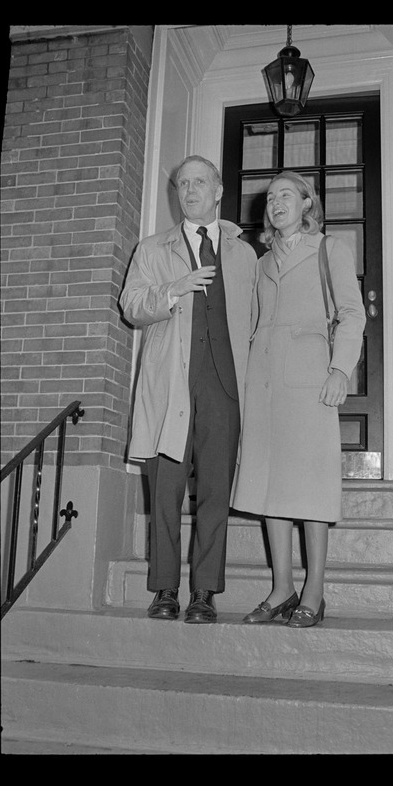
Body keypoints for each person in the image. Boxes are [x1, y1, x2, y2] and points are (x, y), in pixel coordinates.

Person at [119, 155, 257, 624]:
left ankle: (203, 592)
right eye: (182, 184)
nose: (190, 190)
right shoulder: (152, 248)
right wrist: (174, 289)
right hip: (169, 385)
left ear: (218, 190)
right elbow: (131, 306)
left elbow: (257, 322)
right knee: (165, 492)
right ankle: (163, 589)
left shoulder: (243, 252)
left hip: (224, 388)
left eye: (200, 182)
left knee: (215, 493)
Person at [232, 171, 366, 628]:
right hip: (262, 381)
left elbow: (351, 313)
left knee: (309, 488)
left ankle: (314, 590)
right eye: (270, 198)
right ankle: (282, 587)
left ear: (308, 203)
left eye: (285, 195)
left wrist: (340, 369)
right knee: (272, 486)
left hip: (310, 379)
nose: (275, 203)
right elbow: (252, 322)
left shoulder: (330, 249)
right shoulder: (262, 260)